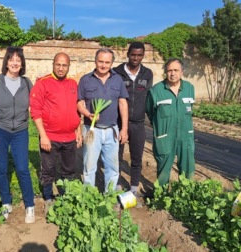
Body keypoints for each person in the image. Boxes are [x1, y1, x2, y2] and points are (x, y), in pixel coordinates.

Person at [0, 47, 35, 223]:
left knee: (22, 168)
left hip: (20, 130)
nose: (14, 63)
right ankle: (6, 202)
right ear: (6, 62)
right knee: (1, 167)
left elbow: (36, 106)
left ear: (22, 64)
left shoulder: (27, 83)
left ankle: (30, 205)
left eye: (18, 60)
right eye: (11, 59)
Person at [30, 52, 82, 214]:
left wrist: (78, 130)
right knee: (48, 169)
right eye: (58, 65)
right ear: (53, 65)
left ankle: (65, 196)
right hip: (50, 137)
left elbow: (76, 109)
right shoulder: (43, 83)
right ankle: (48, 199)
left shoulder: (73, 84)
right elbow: (35, 111)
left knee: (69, 169)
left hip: (70, 137)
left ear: (69, 66)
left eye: (64, 65)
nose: (61, 68)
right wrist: (43, 135)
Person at [77, 48, 129, 192]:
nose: (103, 65)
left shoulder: (118, 79)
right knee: (89, 167)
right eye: (101, 61)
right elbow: (79, 103)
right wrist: (88, 114)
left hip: (112, 130)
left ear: (112, 63)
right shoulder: (86, 80)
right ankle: (89, 197)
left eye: (107, 62)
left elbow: (123, 103)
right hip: (92, 130)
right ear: (95, 61)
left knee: (112, 167)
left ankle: (110, 197)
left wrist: (124, 129)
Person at [145, 58, 195, 187]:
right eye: (169, 70)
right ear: (165, 73)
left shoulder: (189, 88)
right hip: (165, 136)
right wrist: (160, 124)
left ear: (182, 72)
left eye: (176, 70)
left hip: (186, 136)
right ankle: (161, 196)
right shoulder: (156, 90)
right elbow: (150, 111)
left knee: (187, 166)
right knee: (163, 168)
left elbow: (189, 110)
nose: (173, 73)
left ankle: (185, 194)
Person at [113, 42, 153, 196]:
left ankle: (134, 188)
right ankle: (116, 184)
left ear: (143, 56)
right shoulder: (116, 72)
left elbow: (148, 97)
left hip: (138, 123)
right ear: (128, 54)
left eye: (139, 55)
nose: (136, 58)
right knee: (117, 156)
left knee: (137, 157)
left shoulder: (147, 73)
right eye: (133, 54)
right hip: (119, 122)